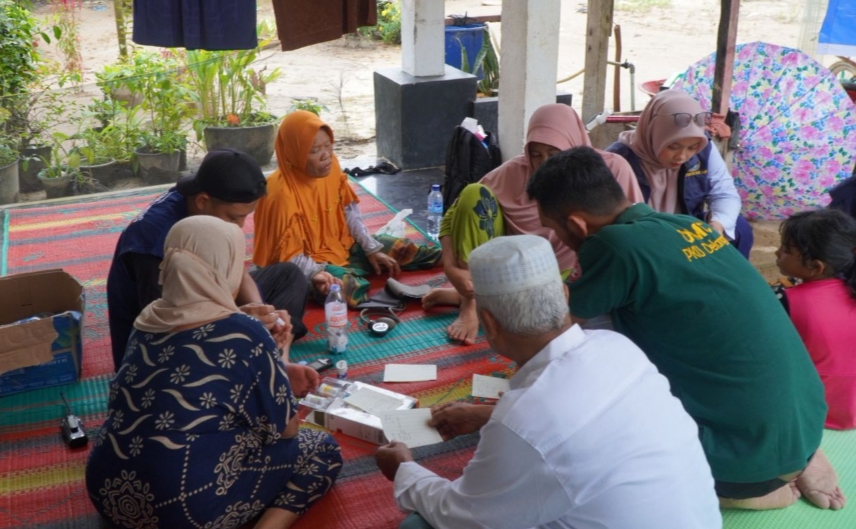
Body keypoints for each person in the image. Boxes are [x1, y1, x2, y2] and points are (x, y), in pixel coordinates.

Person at [526, 146, 845, 511]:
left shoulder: (612, 246)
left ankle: (749, 492)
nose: (556, 239)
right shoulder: (687, 225)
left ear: (578, 224)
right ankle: (796, 459)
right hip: (805, 420)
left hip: (742, 464)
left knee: (593, 450)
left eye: (553, 229)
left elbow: (556, 332)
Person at [375, 235, 724, 529]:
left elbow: (461, 517)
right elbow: (574, 420)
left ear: (490, 324)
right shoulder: (617, 346)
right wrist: (486, 415)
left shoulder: (524, 420)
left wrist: (403, 469)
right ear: (565, 295)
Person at [87, 216, 342, 529]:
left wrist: (276, 365)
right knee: (320, 447)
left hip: (108, 494)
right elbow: (286, 430)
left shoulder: (148, 319)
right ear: (224, 266)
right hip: (179, 510)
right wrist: (280, 356)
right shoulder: (245, 332)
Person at [423, 103, 644, 345]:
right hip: (516, 267)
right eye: (536, 154)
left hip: (574, 272)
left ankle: (488, 297)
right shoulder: (515, 172)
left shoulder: (611, 169)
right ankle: (471, 300)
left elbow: (631, 228)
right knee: (474, 194)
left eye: (553, 153)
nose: (543, 164)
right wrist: (451, 269)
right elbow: (453, 215)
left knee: (543, 318)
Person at [107, 148, 326, 371]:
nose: (239, 227)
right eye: (233, 218)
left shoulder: (200, 198)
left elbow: (235, 270)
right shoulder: (153, 243)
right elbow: (169, 325)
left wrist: (262, 311)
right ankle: (270, 362)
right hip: (165, 345)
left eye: (245, 217)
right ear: (203, 201)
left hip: (205, 304)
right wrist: (239, 320)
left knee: (288, 276)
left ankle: (280, 358)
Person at [252, 111, 441, 307]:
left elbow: (349, 211)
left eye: (328, 146)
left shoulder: (331, 166)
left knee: (400, 249)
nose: (326, 155)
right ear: (294, 152)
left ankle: (454, 259)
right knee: (341, 287)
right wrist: (318, 273)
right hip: (307, 264)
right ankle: (388, 297)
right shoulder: (280, 194)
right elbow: (290, 258)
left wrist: (370, 249)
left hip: (340, 245)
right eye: (315, 151)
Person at [606, 89, 754, 258]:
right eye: (673, 146)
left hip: (685, 232)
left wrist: (718, 224)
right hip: (643, 242)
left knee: (739, 229)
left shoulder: (703, 147)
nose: (682, 156)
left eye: (691, 148)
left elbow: (724, 192)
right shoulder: (618, 161)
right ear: (653, 133)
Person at [775, 209, 856, 430]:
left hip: (810, 410)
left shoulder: (786, 299)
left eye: (785, 249)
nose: (776, 253)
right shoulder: (849, 290)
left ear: (816, 266)